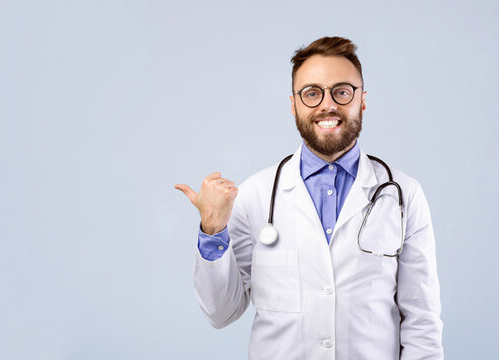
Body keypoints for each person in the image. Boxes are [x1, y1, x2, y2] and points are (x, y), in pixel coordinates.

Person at [174, 37, 443, 359]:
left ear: (363, 100)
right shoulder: (256, 195)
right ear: (293, 104)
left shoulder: (403, 194)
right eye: (312, 93)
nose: (327, 105)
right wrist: (213, 229)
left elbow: (422, 322)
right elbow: (221, 312)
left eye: (342, 91)